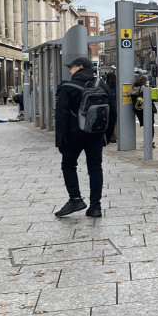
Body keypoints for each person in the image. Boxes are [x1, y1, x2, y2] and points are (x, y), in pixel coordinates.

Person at [54, 57, 107, 218]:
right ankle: (95, 206)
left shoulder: (67, 87)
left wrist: (60, 140)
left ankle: (75, 199)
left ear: (80, 67)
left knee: (68, 165)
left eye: (72, 67)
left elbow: (61, 117)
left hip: (73, 135)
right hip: (96, 134)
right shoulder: (101, 85)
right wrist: (105, 134)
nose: (70, 70)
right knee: (95, 168)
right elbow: (112, 111)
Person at [130, 73, 156, 147]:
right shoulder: (144, 88)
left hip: (138, 110)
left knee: (145, 125)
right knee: (150, 125)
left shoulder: (134, 87)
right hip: (147, 110)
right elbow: (150, 99)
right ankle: (149, 141)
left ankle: (147, 141)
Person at [104, 71, 118, 144]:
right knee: (115, 121)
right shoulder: (117, 86)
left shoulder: (106, 87)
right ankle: (114, 137)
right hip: (116, 105)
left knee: (109, 121)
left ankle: (109, 136)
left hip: (108, 106)